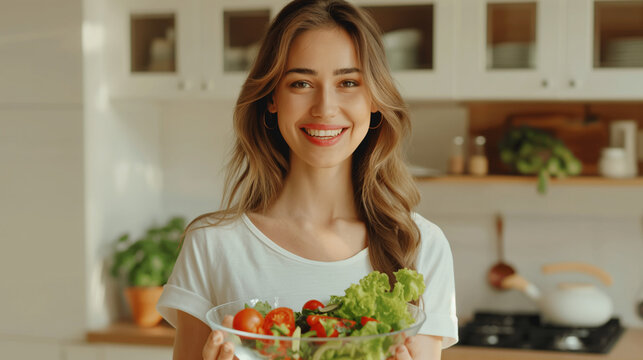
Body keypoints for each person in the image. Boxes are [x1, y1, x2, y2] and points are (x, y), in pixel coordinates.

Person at [157, 0, 458, 359]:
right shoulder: (212, 246)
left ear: (375, 98)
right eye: (301, 83)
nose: (325, 107)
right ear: (272, 97)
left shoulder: (421, 247)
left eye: (348, 82)